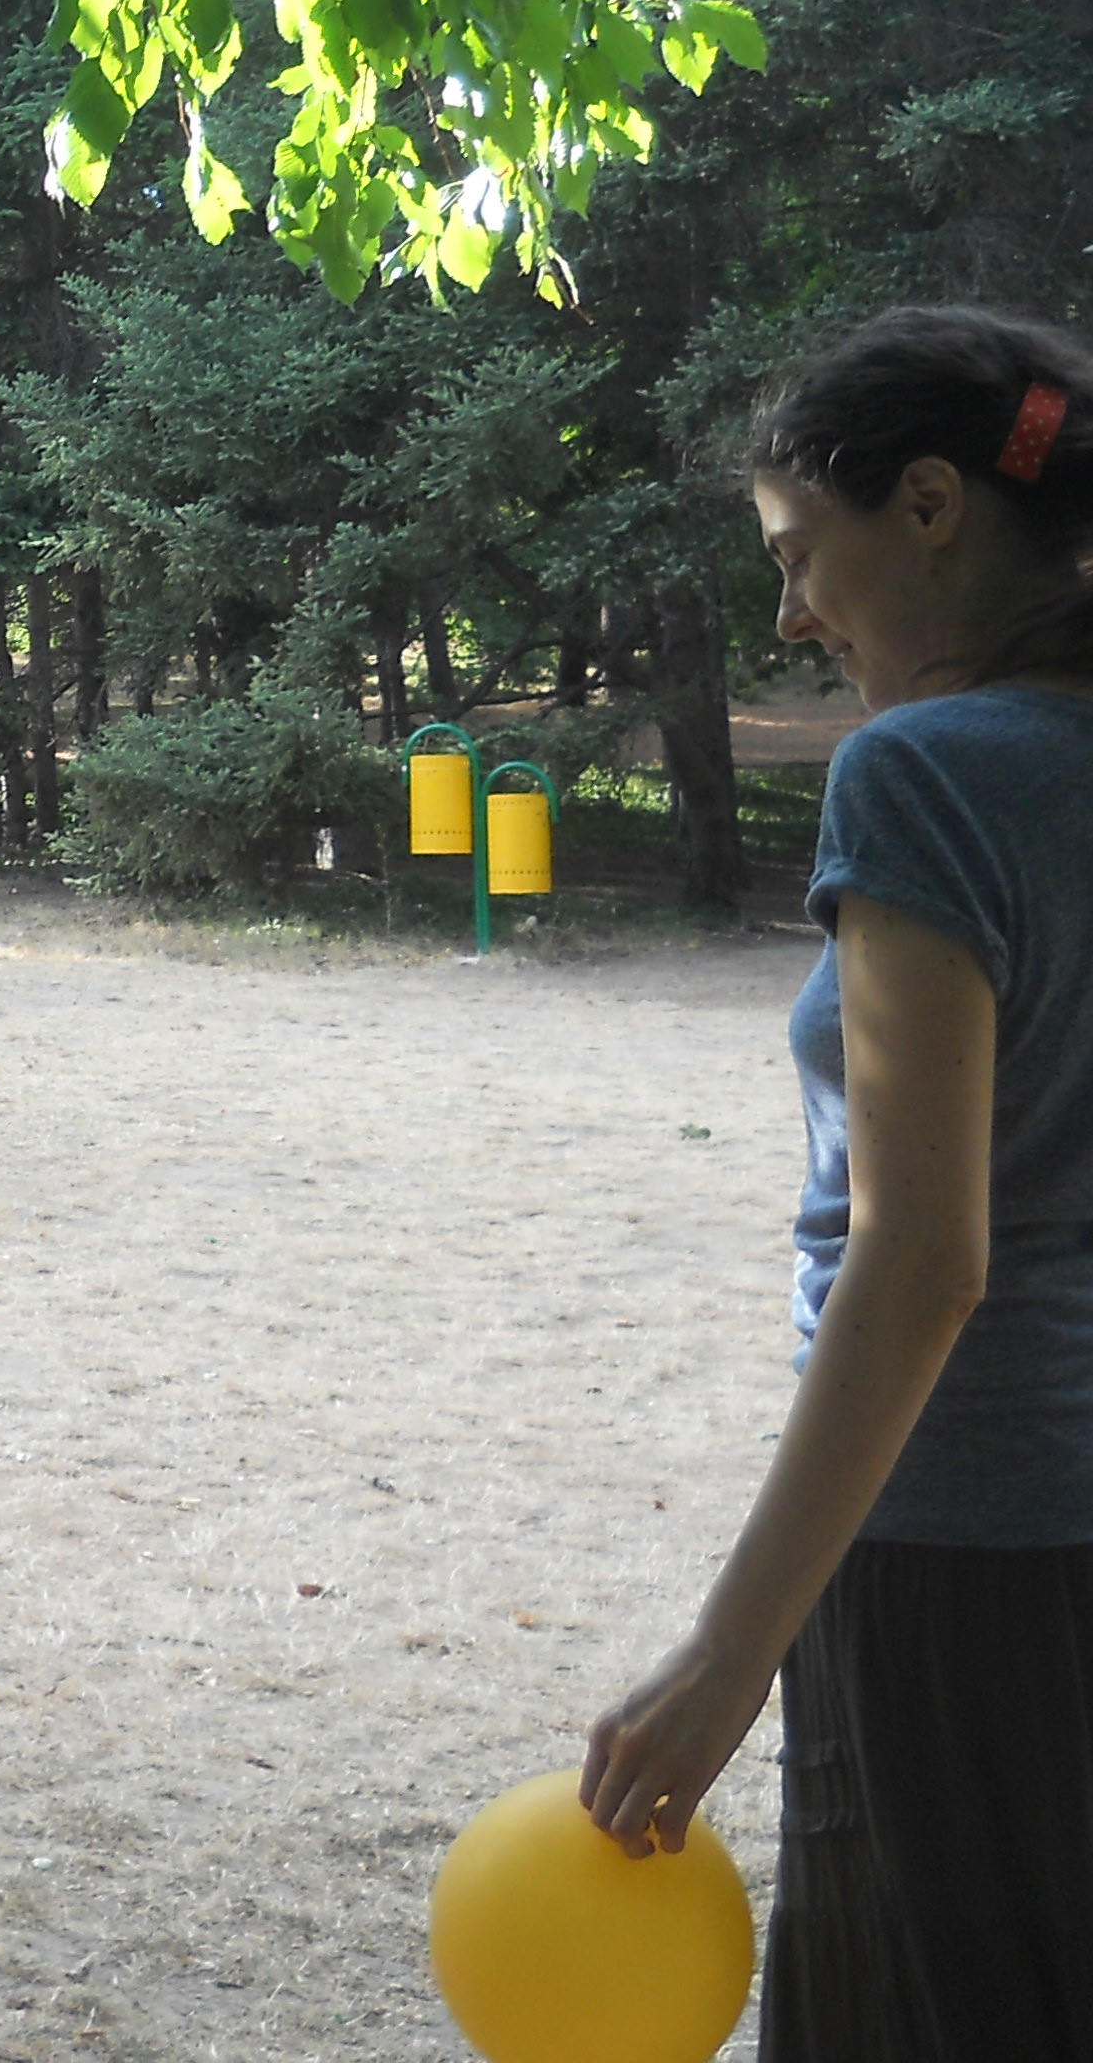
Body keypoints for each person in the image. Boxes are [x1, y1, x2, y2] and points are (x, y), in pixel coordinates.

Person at [577, 306, 1093, 2054]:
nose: (791, 615)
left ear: (929, 504)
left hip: (960, 1548)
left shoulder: (926, 774)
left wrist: (730, 1653)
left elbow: (924, 1259)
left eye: (800, 555)